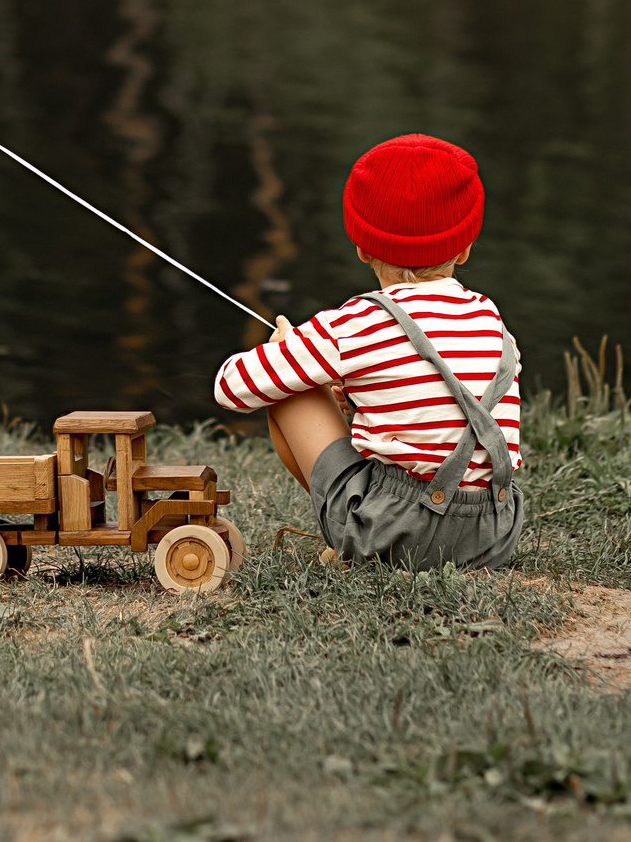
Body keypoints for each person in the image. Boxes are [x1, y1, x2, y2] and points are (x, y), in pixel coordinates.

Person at [212, 133, 524, 570]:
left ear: (361, 247)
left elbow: (230, 388)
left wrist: (286, 349)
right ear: (466, 246)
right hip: (493, 534)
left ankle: (351, 541)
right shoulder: (491, 319)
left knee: (288, 389)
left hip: (396, 534)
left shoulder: (359, 322)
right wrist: (356, 391)